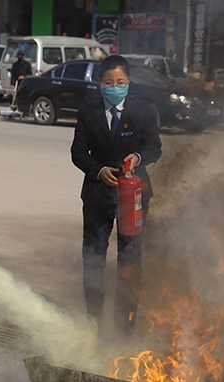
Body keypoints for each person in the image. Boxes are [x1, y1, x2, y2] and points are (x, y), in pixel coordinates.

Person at [70, 55, 162, 335]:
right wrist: (99, 171)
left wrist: (137, 156)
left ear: (128, 83)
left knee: (130, 259)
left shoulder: (144, 111)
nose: (115, 87)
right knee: (94, 257)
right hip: (98, 196)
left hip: (133, 196)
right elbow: (77, 154)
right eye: (109, 82)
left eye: (120, 82)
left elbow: (154, 148)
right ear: (100, 84)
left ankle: (126, 324)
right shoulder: (88, 112)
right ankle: (94, 322)